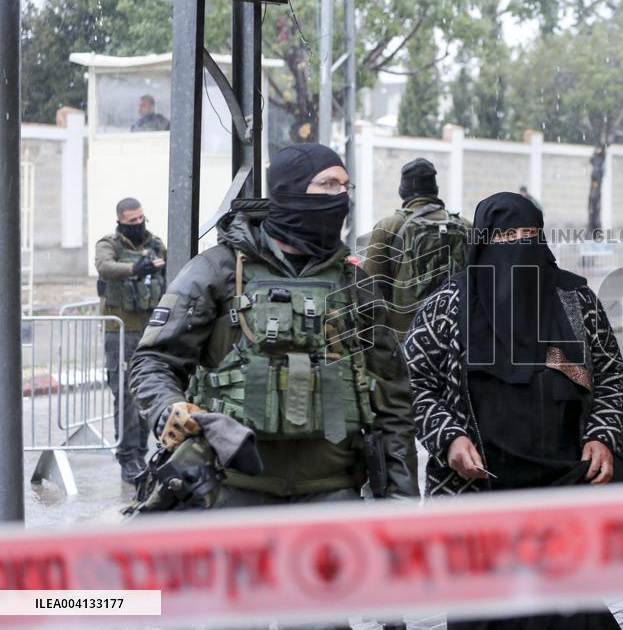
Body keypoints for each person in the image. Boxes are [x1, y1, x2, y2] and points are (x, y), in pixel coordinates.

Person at [129, 143, 418, 509]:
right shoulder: (218, 271)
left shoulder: (355, 284)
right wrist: (168, 409)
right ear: (290, 191)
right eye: (328, 185)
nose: (340, 197)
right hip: (232, 490)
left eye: (345, 187)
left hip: (334, 493)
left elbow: (394, 402)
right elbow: (153, 361)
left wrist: (402, 502)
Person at [403, 192, 623, 629]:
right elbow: (412, 384)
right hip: (479, 496)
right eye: (508, 236)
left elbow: (611, 379)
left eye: (531, 235)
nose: (521, 245)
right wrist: (448, 437)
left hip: (562, 488)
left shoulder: (574, 299)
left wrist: (602, 435)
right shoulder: (448, 304)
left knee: (571, 615)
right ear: (485, 243)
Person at [95, 198, 166, 483]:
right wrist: (137, 269)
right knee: (124, 394)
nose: (138, 224)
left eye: (140, 219)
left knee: (147, 391)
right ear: (120, 222)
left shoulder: (156, 244)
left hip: (150, 331)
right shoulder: (109, 244)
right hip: (120, 331)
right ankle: (127, 457)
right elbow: (105, 267)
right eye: (131, 221)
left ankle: (141, 451)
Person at [363, 157, 468, 337]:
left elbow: (371, 289)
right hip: (456, 337)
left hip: (407, 338)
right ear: (435, 189)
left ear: (403, 191)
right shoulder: (466, 226)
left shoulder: (388, 227)